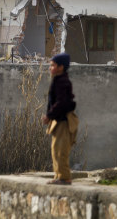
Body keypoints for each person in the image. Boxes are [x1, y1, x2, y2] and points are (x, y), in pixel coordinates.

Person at [41, 53, 78, 185]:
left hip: (63, 120)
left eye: (53, 65)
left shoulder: (62, 81)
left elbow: (61, 102)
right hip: (58, 120)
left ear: (61, 67)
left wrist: (49, 115)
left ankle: (64, 177)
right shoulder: (58, 80)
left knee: (61, 150)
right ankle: (58, 176)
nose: (50, 68)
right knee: (55, 149)